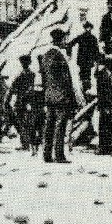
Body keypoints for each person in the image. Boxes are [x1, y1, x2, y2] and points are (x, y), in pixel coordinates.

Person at [41, 28, 76, 163]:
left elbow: (44, 78)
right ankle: (59, 155)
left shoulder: (45, 55)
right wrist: (71, 97)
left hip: (49, 95)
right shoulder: (60, 57)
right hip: (61, 96)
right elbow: (66, 80)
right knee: (60, 126)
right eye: (64, 39)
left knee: (49, 125)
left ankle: (47, 154)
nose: (65, 41)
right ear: (60, 40)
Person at [94, 56, 112, 157]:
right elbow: (101, 92)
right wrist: (103, 105)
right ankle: (104, 147)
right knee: (104, 126)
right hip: (105, 104)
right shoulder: (103, 75)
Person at [7, 55, 36, 151]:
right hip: (24, 101)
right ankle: (26, 143)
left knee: (22, 123)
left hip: (23, 101)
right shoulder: (31, 74)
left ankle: (26, 144)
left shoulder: (22, 75)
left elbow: (13, 87)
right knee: (24, 123)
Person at [68, 22, 99, 95]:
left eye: (89, 28)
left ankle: (86, 90)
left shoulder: (93, 38)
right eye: (86, 28)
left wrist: (96, 60)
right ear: (84, 28)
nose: (88, 29)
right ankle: (84, 90)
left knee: (87, 75)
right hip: (82, 60)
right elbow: (70, 44)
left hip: (89, 60)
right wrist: (69, 54)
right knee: (82, 75)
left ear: (91, 28)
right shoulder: (81, 37)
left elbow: (96, 50)